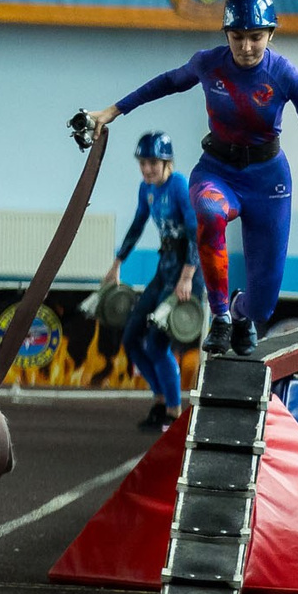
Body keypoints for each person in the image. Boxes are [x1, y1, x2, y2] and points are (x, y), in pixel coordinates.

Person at [82, 0, 298, 358]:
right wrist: (113, 111)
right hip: (217, 172)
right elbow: (166, 83)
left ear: (271, 34)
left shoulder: (284, 74)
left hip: (269, 183)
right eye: (237, 37)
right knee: (208, 211)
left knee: (262, 307)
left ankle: (238, 309)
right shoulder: (209, 64)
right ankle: (221, 315)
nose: (246, 47)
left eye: (256, 37)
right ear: (226, 34)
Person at [102, 131, 196, 432]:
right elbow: (137, 224)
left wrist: (187, 277)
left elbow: (197, 232)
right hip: (163, 269)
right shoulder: (146, 189)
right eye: (143, 163)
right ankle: (160, 400)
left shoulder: (179, 186)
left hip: (184, 273)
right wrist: (117, 263)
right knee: (131, 338)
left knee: (156, 343)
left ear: (167, 162)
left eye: (153, 162)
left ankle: (173, 412)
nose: (147, 169)